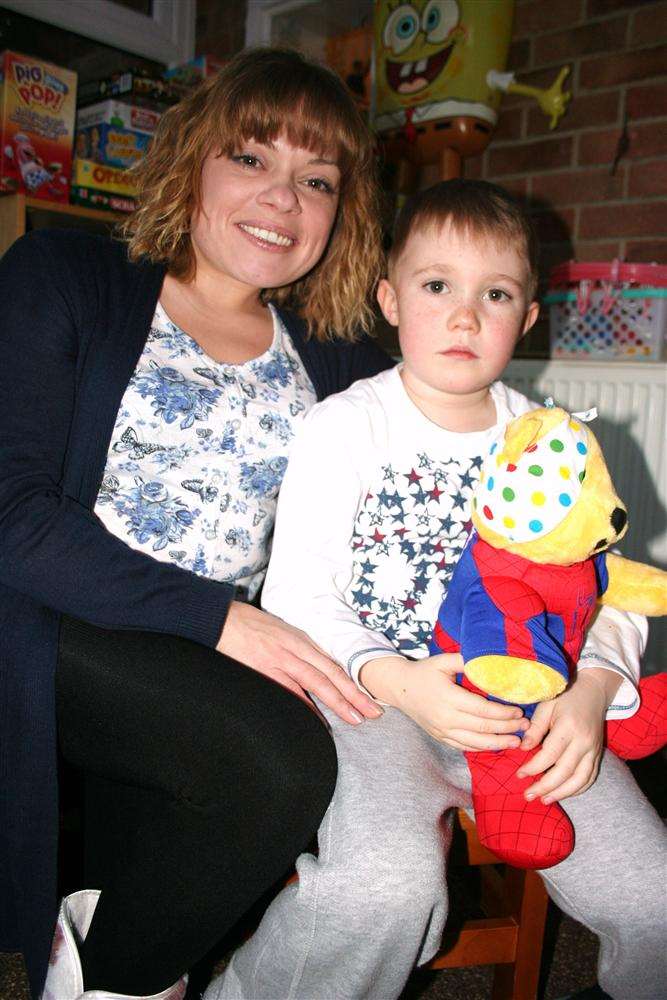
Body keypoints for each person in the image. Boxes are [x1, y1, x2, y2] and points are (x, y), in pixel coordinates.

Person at [206, 180, 666, 1000]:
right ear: (389, 298)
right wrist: (393, 677)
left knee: (655, 895)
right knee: (383, 889)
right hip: (374, 703)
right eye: (436, 286)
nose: (464, 316)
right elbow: (298, 594)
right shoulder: (344, 426)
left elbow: (614, 583)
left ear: (526, 318)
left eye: (494, 294)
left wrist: (596, 688)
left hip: (535, 708)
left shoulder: (550, 437)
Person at [0, 47, 393, 1000]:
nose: (281, 199)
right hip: (57, 619)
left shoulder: (334, 353)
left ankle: (103, 968)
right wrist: (221, 620)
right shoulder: (66, 273)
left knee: (150, 881)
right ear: (193, 163)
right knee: (277, 765)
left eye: (316, 180)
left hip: (207, 646)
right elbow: (12, 515)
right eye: (252, 159)